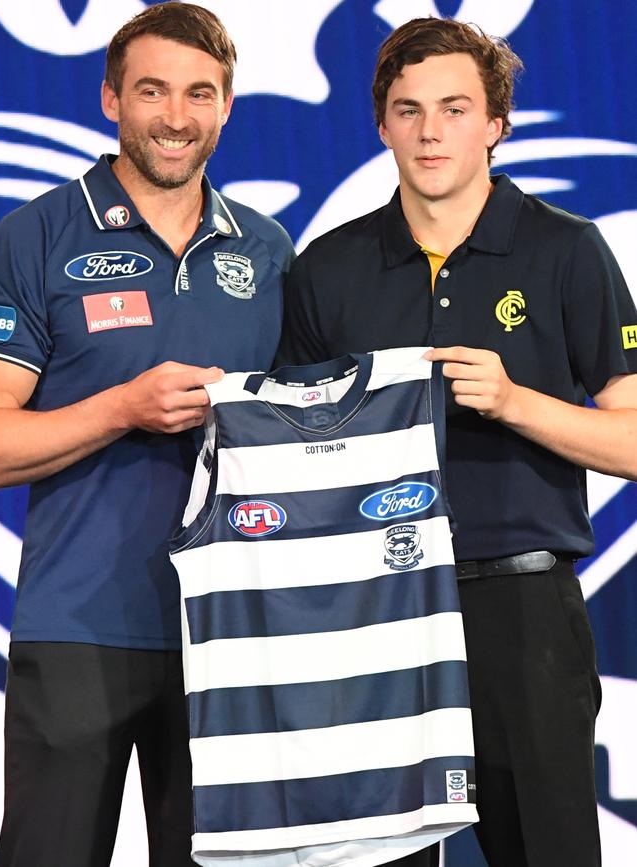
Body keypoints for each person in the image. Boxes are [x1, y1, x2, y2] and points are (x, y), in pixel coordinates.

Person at [276, 16, 637, 867]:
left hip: (522, 609)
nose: (430, 131)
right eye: (408, 110)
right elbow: (290, 457)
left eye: (454, 108)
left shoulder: (566, 250)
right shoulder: (327, 268)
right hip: (373, 614)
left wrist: (517, 403)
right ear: (381, 124)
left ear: (496, 125)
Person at [0, 4, 294, 866]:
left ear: (228, 106)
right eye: (152, 90)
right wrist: (120, 409)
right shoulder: (36, 235)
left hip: (232, 633)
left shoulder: (268, 252)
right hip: (77, 622)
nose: (176, 116)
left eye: (201, 93)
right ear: (110, 100)